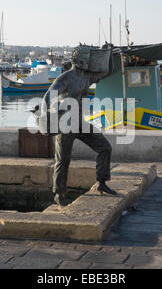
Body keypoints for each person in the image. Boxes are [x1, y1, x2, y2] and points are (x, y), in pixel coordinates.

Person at [36, 44, 118, 207]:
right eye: (86, 57)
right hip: (64, 124)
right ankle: (59, 194)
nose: (88, 61)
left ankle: (102, 182)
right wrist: (45, 115)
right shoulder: (65, 78)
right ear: (78, 59)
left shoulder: (87, 77)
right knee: (63, 160)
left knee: (105, 147)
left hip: (79, 122)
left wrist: (109, 54)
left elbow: (107, 72)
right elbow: (48, 97)